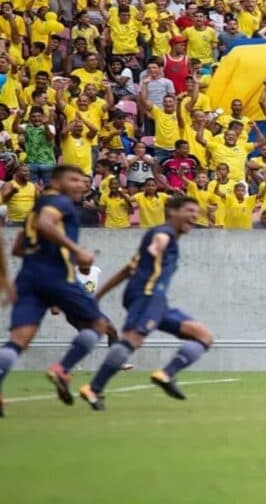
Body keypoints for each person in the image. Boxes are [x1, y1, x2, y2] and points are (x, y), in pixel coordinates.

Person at [79, 197, 216, 410]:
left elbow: (127, 269)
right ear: (172, 211)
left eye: (196, 212)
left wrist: (98, 296)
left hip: (156, 300)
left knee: (203, 335)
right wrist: (156, 247)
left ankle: (166, 374)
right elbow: (159, 241)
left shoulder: (162, 237)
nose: (194, 216)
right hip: (147, 296)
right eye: (189, 210)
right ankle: (94, 389)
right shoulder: (164, 234)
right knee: (132, 340)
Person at [0, 166, 107, 416]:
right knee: (98, 326)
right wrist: (75, 250)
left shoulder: (33, 210)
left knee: (18, 339)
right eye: (74, 180)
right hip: (57, 276)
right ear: (57, 182)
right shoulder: (59, 202)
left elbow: (17, 247)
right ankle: (62, 369)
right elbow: (46, 223)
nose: (81, 185)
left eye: (83, 181)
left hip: (28, 277)